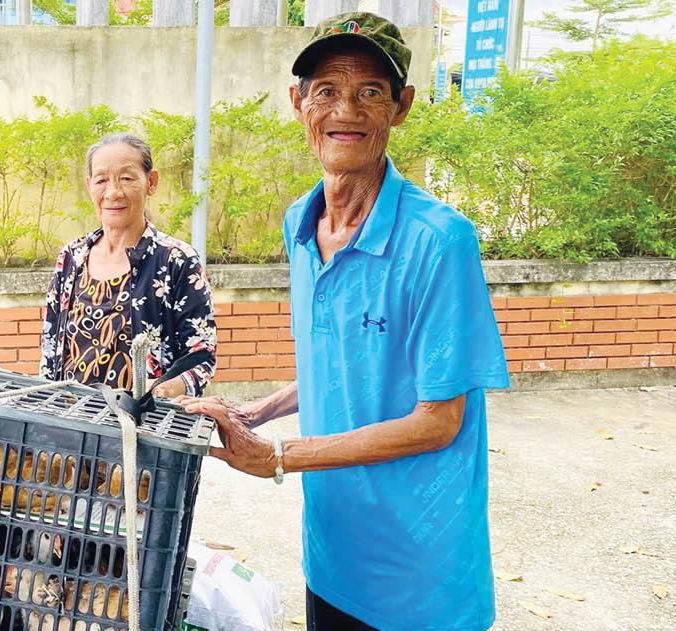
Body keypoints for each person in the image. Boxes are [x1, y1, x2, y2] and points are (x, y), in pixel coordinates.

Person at [180, 13, 509, 631]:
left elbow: (439, 421)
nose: (345, 110)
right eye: (326, 90)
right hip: (330, 551)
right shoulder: (300, 226)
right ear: (298, 104)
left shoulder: (440, 242)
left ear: (401, 107)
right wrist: (261, 411)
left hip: (418, 576)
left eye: (370, 92)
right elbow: (353, 363)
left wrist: (278, 454)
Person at [40, 133, 217, 397]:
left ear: (151, 182)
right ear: (89, 186)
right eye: (101, 180)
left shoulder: (176, 260)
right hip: (72, 422)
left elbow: (202, 357)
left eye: (127, 178)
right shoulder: (71, 257)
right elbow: (50, 348)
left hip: (143, 427)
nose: (113, 192)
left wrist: (160, 393)